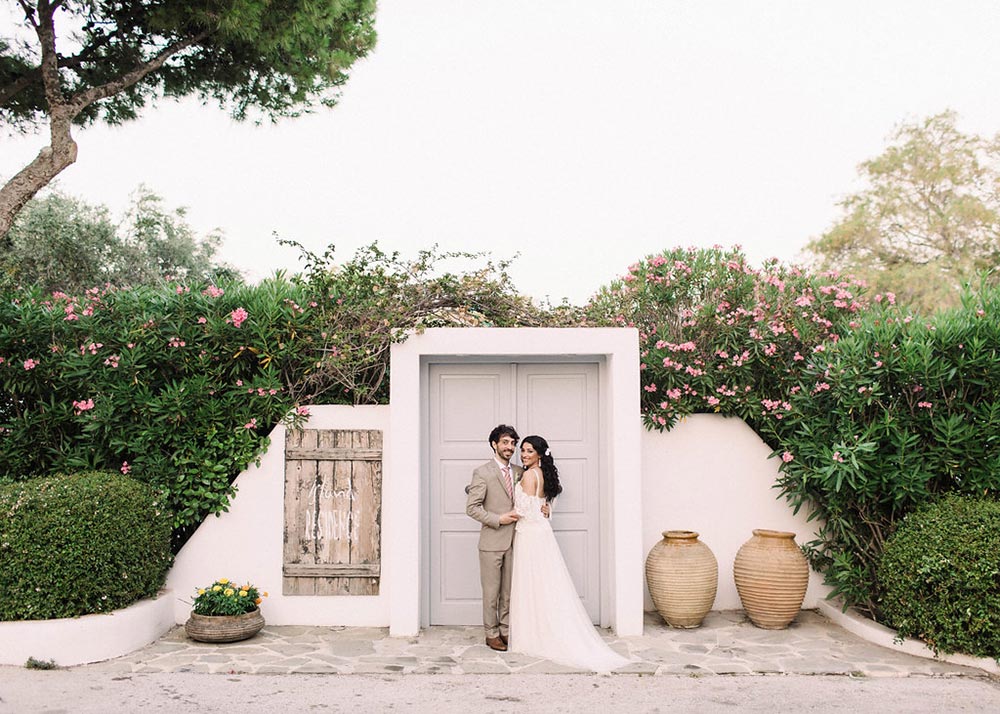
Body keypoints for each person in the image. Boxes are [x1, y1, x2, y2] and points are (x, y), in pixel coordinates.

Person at [508, 435, 629, 672]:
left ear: (540, 454)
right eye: (522, 450)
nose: (523, 455)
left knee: (533, 585)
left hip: (530, 535)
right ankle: (540, 630)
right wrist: (545, 510)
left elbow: (526, 510)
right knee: (543, 585)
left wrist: (511, 509)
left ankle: (533, 636)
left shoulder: (530, 475)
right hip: (540, 533)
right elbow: (542, 506)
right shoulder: (542, 475)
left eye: (529, 451)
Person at [465, 424, 524, 652]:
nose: (509, 447)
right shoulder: (482, 473)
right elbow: (472, 508)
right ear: (494, 444)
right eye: (505, 443)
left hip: (516, 541)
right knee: (491, 592)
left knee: (509, 591)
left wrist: (546, 506)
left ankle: (506, 629)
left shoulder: (520, 472)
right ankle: (491, 634)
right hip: (491, 541)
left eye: (512, 443)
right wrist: (499, 518)